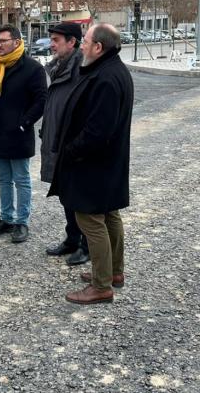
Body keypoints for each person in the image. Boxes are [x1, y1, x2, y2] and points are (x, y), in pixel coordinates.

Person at [48, 24, 134, 305]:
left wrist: (69, 151)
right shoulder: (111, 70)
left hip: (93, 165)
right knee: (109, 216)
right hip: (106, 164)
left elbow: (97, 133)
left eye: (85, 42)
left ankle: (101, 285)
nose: (81, 46)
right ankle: (113, 273)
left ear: (98, 47)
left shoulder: (106, 78)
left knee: (90, 220)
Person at [0, 24, 47, 243]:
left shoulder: (32, 68)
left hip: (18, 134)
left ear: (17, 42)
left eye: (3, 41)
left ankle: (22, 222)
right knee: (3, 179)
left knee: (21, 179)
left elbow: (41, 100)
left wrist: (24, 123)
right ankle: (6, 218)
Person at [40, 23, 89, 266]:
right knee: (66, 196)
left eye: (56, 40)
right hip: (58, 141)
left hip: (73, 146)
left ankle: (86, 245)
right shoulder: (58, 67)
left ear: (72, 42)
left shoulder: (82, 70)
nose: (52, 44)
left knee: (79, 198)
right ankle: (72, 239)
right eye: (52, 39)